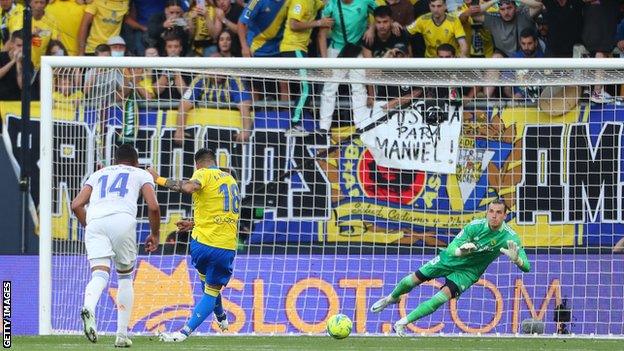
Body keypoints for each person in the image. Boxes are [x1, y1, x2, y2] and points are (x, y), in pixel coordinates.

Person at [370, 199, 531, 336]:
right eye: (491, 211)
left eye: (498, 212)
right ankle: (391, 298)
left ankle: (402, 323)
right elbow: (452, 246)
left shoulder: (510, 237)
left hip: (468, 272)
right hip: (449, 259)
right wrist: (460, 251)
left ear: (505, 215)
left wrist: (517, 260)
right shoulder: (475, 226)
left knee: (438, 299)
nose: (494, 215)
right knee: (411, 280)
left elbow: (527, 267)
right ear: (487, 212)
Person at [70, 144, 160, 347]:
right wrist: (155, 234)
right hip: (122, 220)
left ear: (115, 161)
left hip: (95, 222)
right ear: (136, 162)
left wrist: (91, 225)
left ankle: (89, 307)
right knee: (125, 277)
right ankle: (121, 335)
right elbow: (153, 206)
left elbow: (76, 204)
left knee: (99, 274)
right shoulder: (140, 173)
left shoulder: (99, 173)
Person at [149, 148, 239, 342]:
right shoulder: (231, 180)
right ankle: (206, 322)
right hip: (226, 246)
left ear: (197, 164)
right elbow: (222, 215)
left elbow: (189, 188)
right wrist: (193, 222)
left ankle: (205, 323)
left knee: (208, 286)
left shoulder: (203, 173)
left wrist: (158, 179)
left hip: (203, 244)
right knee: (212, 289)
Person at [174, 73, 253, 144]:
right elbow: (184, 104)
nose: (218, 73)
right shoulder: (200, 79)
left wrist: (246, 130)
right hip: (204, 127)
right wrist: (180, 130)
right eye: (215, 69)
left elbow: (244, 105)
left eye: (221, 70)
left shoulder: (234, 79)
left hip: (228, 128)